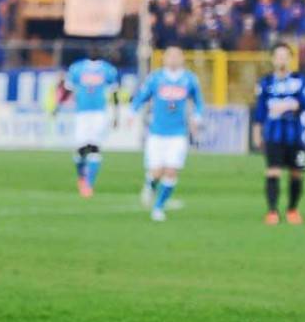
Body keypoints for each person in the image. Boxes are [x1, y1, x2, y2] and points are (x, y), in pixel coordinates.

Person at [130, 46, 204, 222]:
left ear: (182, 59)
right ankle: (150, 185)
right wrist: (132, 112)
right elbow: (142, 96)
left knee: (171, 171)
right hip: (157, 132)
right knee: (156, 172)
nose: (173, 59)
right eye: (169, 56)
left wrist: (197, 116)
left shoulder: (189, 79)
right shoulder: (156, 78)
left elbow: (199, 101)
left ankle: (158, 208)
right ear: (164, 58)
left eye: (176, 56)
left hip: (178, 133)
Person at [253, 42, 305, 225]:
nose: (282, 60)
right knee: (273, 171)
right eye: (278, 56)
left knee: (298, 172)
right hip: (273, 136)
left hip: (297, 137)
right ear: (272, 59)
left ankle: (293, 210)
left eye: (285, 56)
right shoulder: (265, 83)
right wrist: (256, 134)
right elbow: (260, 111)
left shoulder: (301, 79)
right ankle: (272, 211)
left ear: (290, 59)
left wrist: (291, 106)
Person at [63, 54, 119, 198]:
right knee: (81, 149)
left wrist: (116, 114)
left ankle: (89, 184)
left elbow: (114, 93)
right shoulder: (76, 68)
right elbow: (68, 89)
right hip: (81, 113)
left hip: (100, 113)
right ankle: (82, 176)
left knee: (94, 147)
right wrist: (59, 106)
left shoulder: (108, 69)